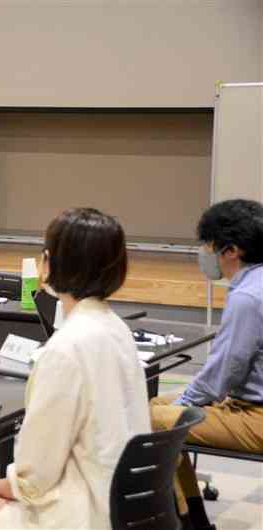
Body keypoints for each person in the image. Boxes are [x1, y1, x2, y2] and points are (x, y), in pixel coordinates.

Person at [0, 208, 151, 530]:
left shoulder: (66, 348)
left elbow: (35, 477)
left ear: (49, 262)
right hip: (119, 504)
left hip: (74, 514)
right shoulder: (117, 329)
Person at [150, 199, 263, 530]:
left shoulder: (247, 297)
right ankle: (194, 519)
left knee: (150, 417)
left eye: (209, 245)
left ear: (231, 251)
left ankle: (187, 523)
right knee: (159, 404)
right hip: (248, 401)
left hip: (256, 416)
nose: (205, 253)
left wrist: (186, 404)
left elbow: (223, 374)